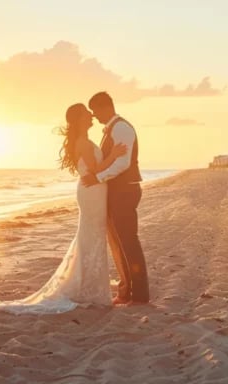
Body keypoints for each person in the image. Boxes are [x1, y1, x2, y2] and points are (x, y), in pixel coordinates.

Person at [0, 104, 127, 314]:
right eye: (87, 113)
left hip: (94, 191)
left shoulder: (84, 141)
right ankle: (89, 287)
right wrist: (114, 155)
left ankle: (92, 285)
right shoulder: (83, 143)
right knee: (91, 235)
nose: (91, 114)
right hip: (91, 192)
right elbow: (95, 170)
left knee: (92, 236)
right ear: (79, 119)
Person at [80, 91, 149, 305]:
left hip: (125, 190)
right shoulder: (111, 129)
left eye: (95, 111)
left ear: (104, 107)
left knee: (128, 240)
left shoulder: (121, 128)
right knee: (118, 242)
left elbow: (123, 163)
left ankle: (139, 295)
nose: (94, 116)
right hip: (116, 191)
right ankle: (126, 290)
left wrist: (97, 178)